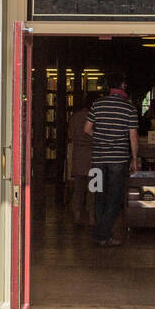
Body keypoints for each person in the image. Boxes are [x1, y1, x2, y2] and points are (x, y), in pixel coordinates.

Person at [85, 74, 139, 247]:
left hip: (97, 160)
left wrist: (100, 138)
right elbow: (133, 136)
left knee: (98, 196)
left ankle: (101, 235)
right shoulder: (129, 108)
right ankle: (102, 235)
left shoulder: (97, 104)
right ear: (123, 85)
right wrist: (135, 159)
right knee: (114, 200)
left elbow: (87, 129)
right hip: (118, 161)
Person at [67, 92, 97, 227]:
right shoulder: (96, 117)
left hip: (78, 155)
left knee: (78, 189)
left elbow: (70, 135)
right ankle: (92, 218)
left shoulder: (74, 117)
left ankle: (77, 216)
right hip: (94, 157)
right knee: (94, 189)